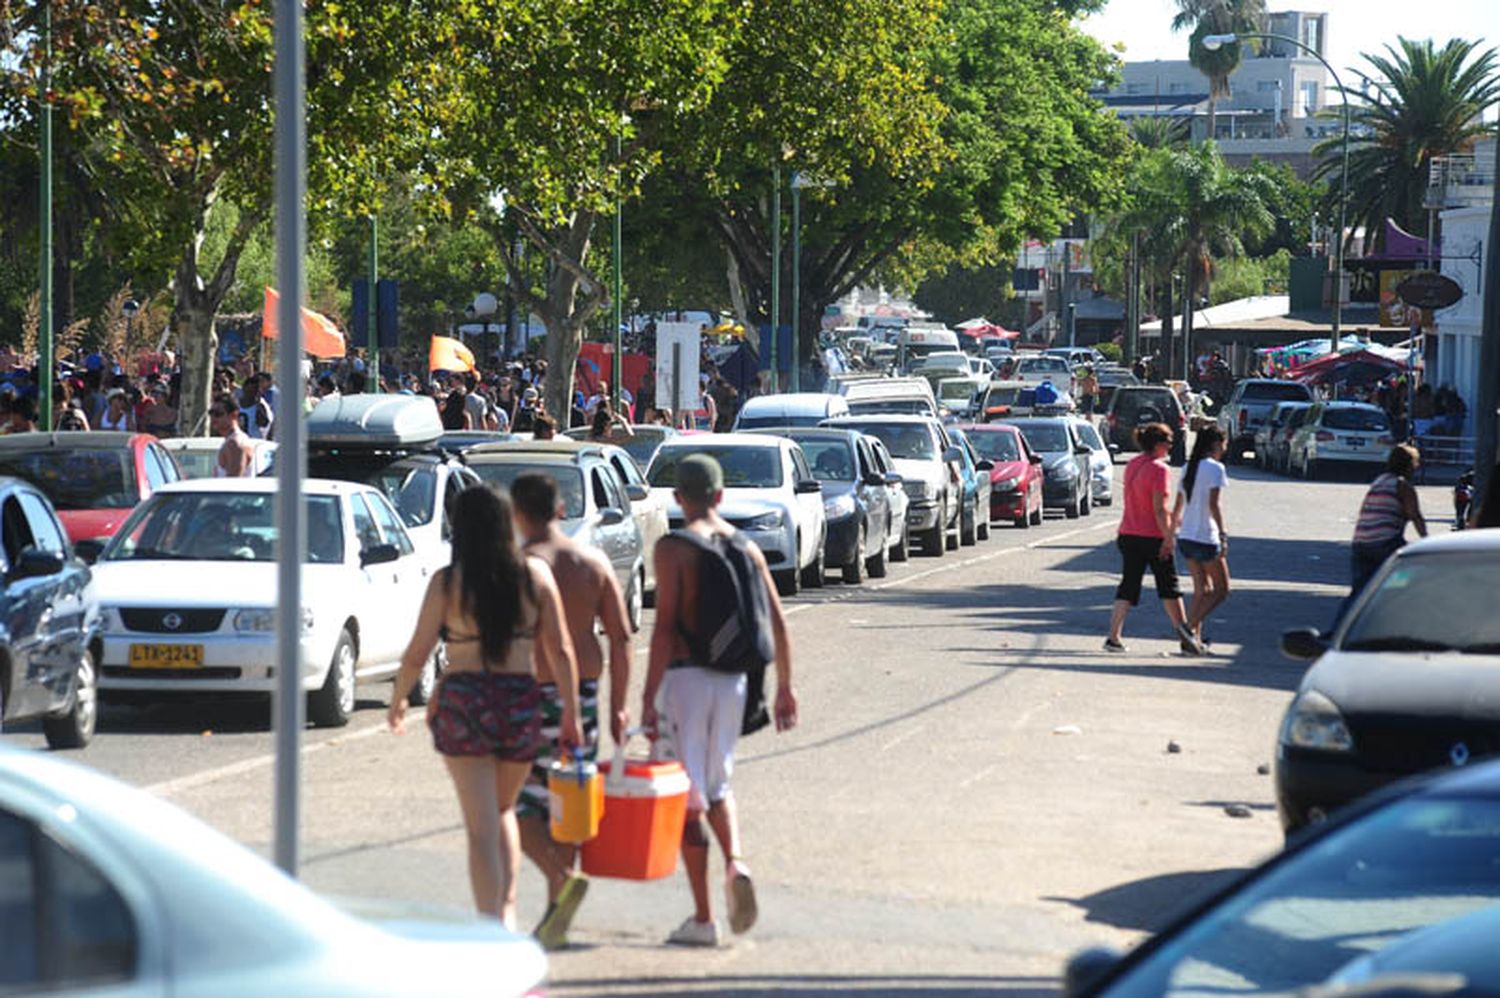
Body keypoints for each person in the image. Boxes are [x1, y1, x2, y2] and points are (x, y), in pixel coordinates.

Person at [388, 484, 582, 931]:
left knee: (480, 828)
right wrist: (570, 712)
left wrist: (398, 699)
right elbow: (562, 650)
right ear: (505, 525)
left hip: (464, 702)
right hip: (519, 701)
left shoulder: (448, 582)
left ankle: (491, 925)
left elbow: (417, 653)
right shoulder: (535, 576)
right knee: (503, 811)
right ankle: (508, 911)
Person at [642, 454, 798, 947]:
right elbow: (778, 621)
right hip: (735, 682)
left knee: (687, 800)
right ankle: (735, 863)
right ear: (720, 496)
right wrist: (785, 689)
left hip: (686, 681)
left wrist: (645, 699)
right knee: (717, 783)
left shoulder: (674, 548)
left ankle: (704, 918)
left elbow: (665, 628)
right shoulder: (746, 546)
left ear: (678, 498)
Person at [510, 472, 632, 950]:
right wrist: (619, 705)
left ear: (519, 514)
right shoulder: (592, 561)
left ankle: (560, 885)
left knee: (516, 808)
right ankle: (556, 910)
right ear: (560, 508)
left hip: (531, 694)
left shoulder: (522, 566)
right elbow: (621, 639)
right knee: (568, 804)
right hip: (582, 697)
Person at [1105, 422, 1196, 654]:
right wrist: (1169, 537)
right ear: (1158, 445)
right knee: (1169, 587)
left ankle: (1113, 636)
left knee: (1128, 586)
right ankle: (1186, 637)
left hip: (1128, 532)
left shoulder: (1133, 464)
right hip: (1152, 536)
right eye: (1168, 442)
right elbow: (1158, 508)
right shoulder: (1159, 469)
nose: (1170, 447)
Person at [1344, 444, 1427, 616]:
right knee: (1404, 578)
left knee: (1358, 593)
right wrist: (1426, 540)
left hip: (1361, 543)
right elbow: (1415, 516)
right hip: (1384, 543)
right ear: (1410, 465)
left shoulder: (1380, 481)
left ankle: (1340, 630)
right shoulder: (1402, 486)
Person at [1172, 425, 1230, 649]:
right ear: (1215, 444)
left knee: (1201, 590)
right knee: (1221, 590)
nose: (1224, 449)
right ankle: (1189, 628)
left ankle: (1192, 641)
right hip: (1206, 536)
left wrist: (1172, 532)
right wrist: (1223, 534)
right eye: (1223, 444)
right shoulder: (1215, 469)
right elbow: (1214, 504)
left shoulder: (1189, 467)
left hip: (1186, 535)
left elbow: (1178, 504)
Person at [211, 394, 254, 478]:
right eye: (211, 413)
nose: (213, 418)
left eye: (218, 414)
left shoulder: (234, 444)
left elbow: (233, 484)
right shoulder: (231, 441)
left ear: (234, 415)